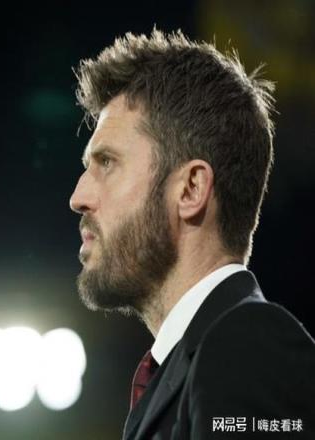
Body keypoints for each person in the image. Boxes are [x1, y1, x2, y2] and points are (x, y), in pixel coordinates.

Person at [69, 29, 315, 439]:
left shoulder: (247, 347)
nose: (78, 197)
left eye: (107, 163)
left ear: (191, 189)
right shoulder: (201, 363)